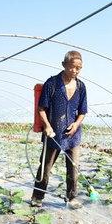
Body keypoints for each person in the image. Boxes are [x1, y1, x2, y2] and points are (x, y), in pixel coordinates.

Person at [31, 51, 88, 209]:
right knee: (45, 167)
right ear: (64, 65)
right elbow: (41, 108)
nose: (75, 71)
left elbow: (83, 111)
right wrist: (47, 126)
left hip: (73, 135)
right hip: (53, 133)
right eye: (72, 67)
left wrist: (76, 124)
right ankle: (37, 197)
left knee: (73, 168)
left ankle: (71, 198)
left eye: (79, 68)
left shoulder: (81, 87)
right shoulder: (52, 83)